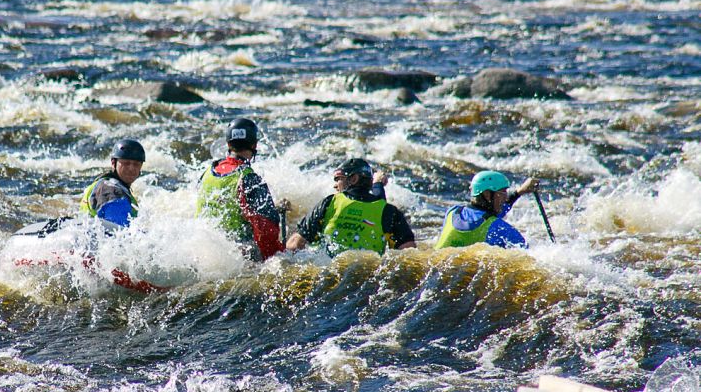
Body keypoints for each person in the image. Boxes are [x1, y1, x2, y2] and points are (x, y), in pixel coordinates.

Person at [196, 118, 286, 261]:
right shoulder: (249, 178)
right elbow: (267, 232)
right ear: (254, 144)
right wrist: (279, 258)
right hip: (239, 257)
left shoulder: (207, 173)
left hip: (202, 252)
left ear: (228, 143)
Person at [285, 158, 416, 255]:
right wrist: (377, 185)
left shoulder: (329, 203)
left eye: (339, 179)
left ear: (353, 179)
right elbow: (409, 254)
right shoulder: (389, 211)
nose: (335, 185)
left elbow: (294, 245)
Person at [433, 170, 539, 249]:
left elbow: (483, 216)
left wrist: (519, 192)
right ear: (487, 194)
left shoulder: (453, 212)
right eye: (502, 193)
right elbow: (528, 254)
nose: (505, 198)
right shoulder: (500, 228)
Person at [80, 138, 145, 227]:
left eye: (136, 164)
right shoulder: (112, 192)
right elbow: (119, 233)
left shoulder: (108, 184)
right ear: (113, 163)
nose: (131, 169)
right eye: (126, 163)